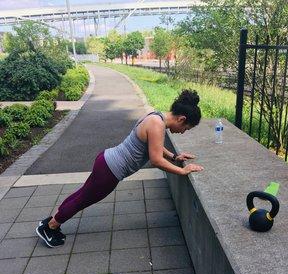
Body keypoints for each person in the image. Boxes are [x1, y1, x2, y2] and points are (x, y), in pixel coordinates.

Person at [36, 89, 204, 248]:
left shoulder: (156, 116)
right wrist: (183, 171)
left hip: (106, 161)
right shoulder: (156, 124)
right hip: (110, 171)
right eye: (185, 128)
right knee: (83, 199)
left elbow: (155, 145)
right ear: (181, 119)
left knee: (82, 194)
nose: (183, 132)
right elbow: (156, 160)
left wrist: (174, 157)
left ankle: (51, 220)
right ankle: (49, 227)